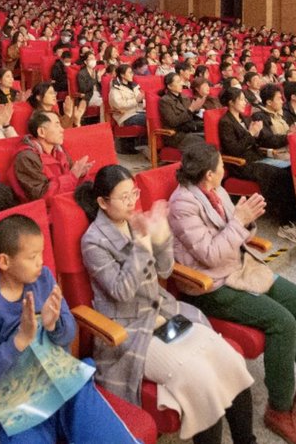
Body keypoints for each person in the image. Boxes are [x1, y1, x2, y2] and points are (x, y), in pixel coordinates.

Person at [168, 142, 296, 444]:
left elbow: (240, 230)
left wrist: (246, 219)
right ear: (209, 175)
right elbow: (211, 255)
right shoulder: (183, 204)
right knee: (282, 322)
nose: (225, 170)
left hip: (241, 267)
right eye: (221, 167)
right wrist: (239, 221)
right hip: (210, 284)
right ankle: (280, 410)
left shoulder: (216, 191)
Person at [74, 165, 256, 444]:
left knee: (230, 360)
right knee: (200, 381)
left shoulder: (134, 221)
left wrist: (161, 236)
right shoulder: (93, 241)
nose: (132, 201)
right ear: (102, 202)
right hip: (129, 329)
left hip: (162, 312)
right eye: (124, 197)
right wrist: (144, 243)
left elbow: (166, 269)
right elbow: (121, 292)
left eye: (133, 193)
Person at [0, 214, 141, 444]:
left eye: (42, 253)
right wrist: (18, 341)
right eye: (33, 256)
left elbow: (69, 334)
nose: (41, 262)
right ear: (5, 262)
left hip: (66, 386)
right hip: (22, 406)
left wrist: (53, 325)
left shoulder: (43, 279)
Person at [217, 87, 296, 223]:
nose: (245, 103)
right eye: (242, 100)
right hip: (241, 163)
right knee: (278, 175)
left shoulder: (245, 118)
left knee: (289, 170)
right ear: (232, 102)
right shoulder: (225, 122)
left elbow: (260, 139)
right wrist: (251, 133)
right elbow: (233, 150)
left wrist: (286, 134)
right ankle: (284, 221)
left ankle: (295, 215)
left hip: (256, 157)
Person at [12, 111, 92, 199]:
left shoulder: (59, 149)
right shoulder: (26, 158)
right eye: (57, 125)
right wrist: (72, 176)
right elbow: (41, 195)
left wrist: (80, 175)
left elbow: (71, 178)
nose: (62, 130)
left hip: (64, 198)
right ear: (41, 132)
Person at [158, 72, 206, 150]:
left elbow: (191, 115)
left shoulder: (184, 97)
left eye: (180, 81)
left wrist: (197, 110)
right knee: (202, 141)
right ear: (169, 86)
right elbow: (173, 121)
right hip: (176, 134)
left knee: (211, 134)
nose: (181, 84)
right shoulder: (165, 101)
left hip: (190, 129)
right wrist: (191, 110)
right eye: (177, 82)